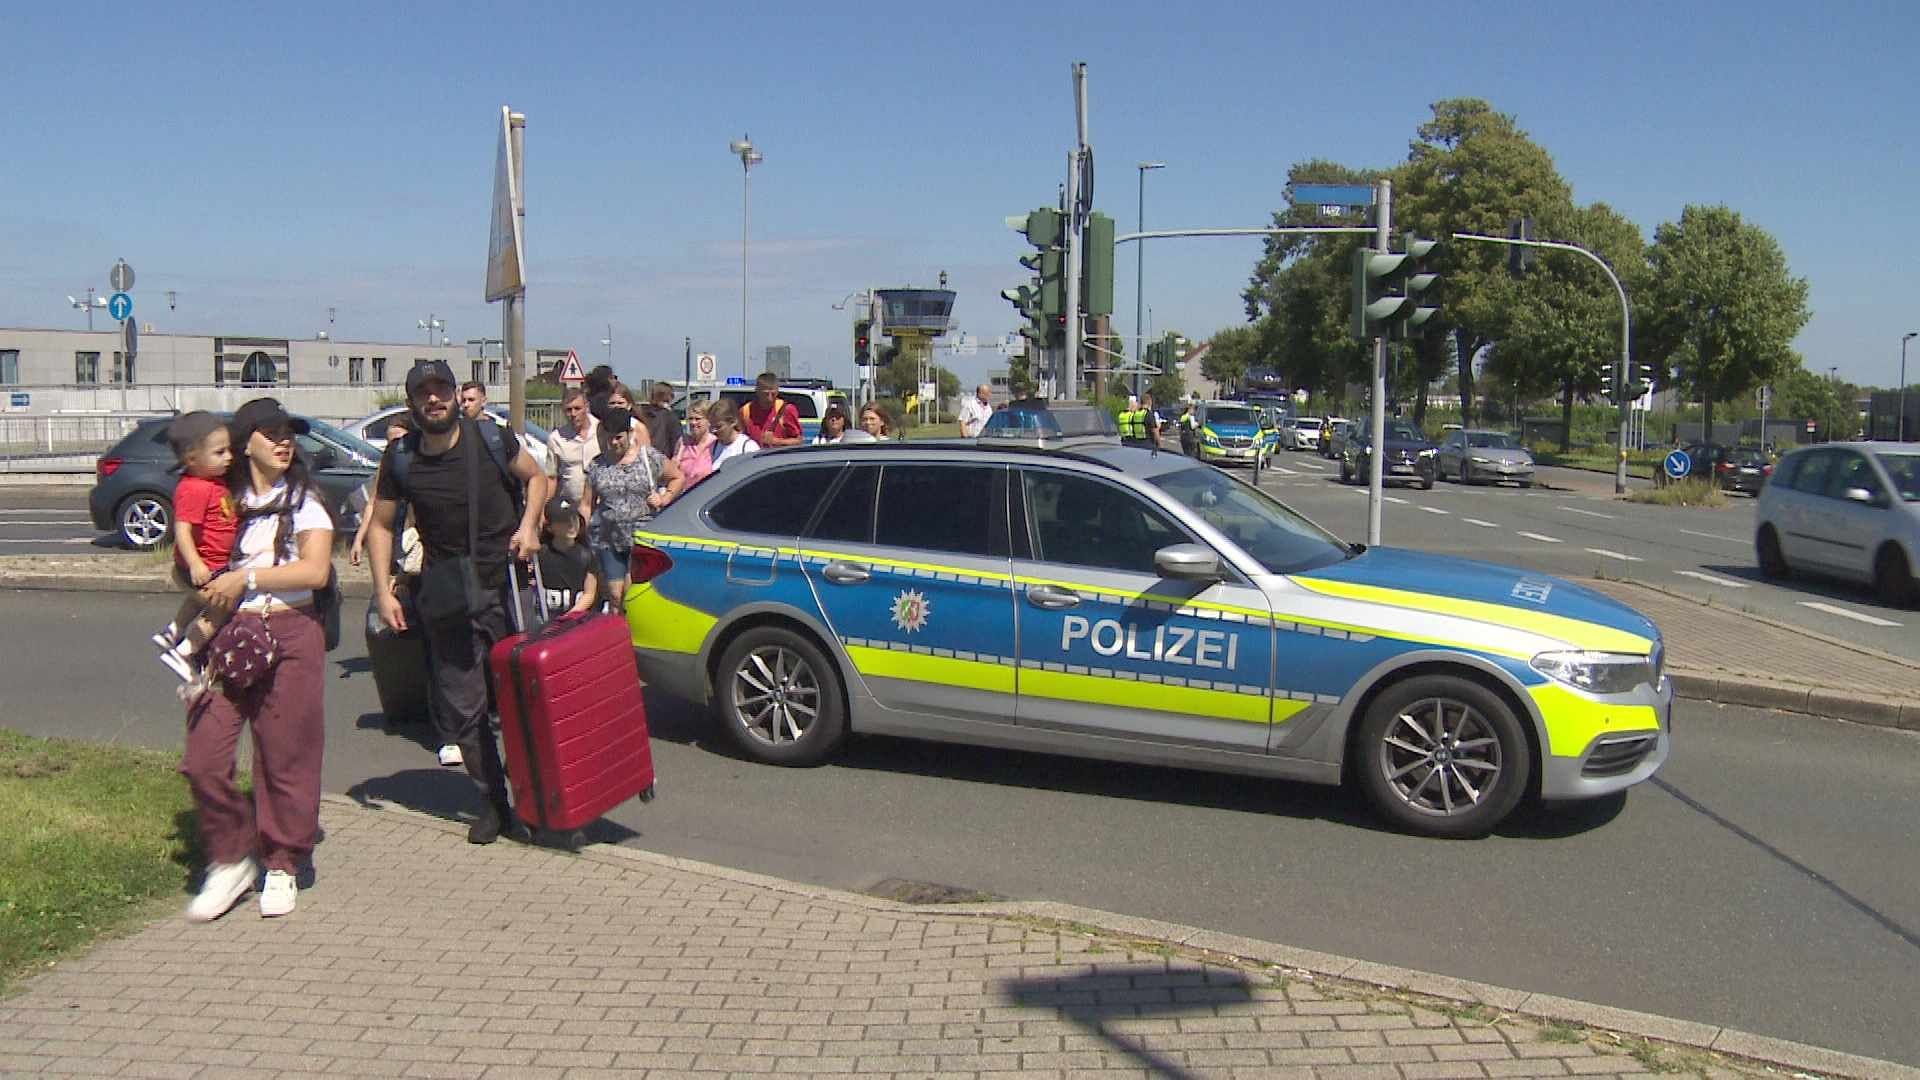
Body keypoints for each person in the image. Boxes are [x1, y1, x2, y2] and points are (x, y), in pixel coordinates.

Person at [364, 360, 550, 844]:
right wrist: (384, 590)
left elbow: (536, 478)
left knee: (524, 701)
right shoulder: (401, 458)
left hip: (508, 585)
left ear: (454, 394)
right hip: (447, 593)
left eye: (441, 389)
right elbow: (382, 526)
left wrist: (529, 526)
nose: (434, 399)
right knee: (464, 709)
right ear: (411, 402)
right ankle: (493, 805)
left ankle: (536, 798)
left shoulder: (490, 440)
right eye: (423, 392)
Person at [179, 397, 336, 921]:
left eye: (288, 432)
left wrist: (246, 577)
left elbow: (314, 572)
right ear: (246, 442)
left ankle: (282, 862)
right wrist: (195, 576)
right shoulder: (223, 500)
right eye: (271, 433)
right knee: (203, 754)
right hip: (227, 631)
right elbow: (187, 562)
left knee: (285, 757)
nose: (284, 441)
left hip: (291, 632)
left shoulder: (307, 501)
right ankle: (229, 858)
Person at [152, 411, 238, 688]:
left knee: (197, 601)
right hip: (203, 566)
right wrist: (196, 564)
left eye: (229, 450)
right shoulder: (194, 488)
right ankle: (185, 651)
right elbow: (183, 531)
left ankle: (173, 631)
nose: (229, 457)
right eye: (219, 452)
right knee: (220, 607)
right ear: (191, 458)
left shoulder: (214, 482)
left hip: (215, 564)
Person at [582, 408, 683, 602]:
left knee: (632, 593)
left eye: (619, 437)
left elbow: (678, 477)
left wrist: (665, 498)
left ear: (629, 433)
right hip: (609, 538)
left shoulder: (649, 458)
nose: (614, 443)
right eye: (610, 438)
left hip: (639, 538)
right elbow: (586, 503)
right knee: (614, 594)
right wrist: (588, 532)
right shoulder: (597, 465)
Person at [534, 495, 596, 616]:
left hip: (577, 620)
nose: (571, 524)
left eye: (574, 518)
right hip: (547, 621)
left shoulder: (587, 555)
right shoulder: (541, 555)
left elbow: (589, 594)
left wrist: (569, 616)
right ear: (550, 527)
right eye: (564, 522)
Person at [544, 388, 597, 500]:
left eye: (577, 408)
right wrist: (545, 509)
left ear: (586, 407)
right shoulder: (556, 438)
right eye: (568, 410)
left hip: (599, 505)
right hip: (570, 505)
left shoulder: (602, 431)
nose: (573, 414)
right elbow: (551, 477)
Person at [740, 372, 802, 447]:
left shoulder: (786, 410)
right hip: (753, 457)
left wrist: (776, 441)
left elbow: (798, 441)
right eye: (765, 394)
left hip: (778, 457)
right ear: (757, 391)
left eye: (773, 394)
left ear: (777, 391)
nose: (770, 398)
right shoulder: (745, 411)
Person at [674, 400, 718, 485]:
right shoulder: (683, 442)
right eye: (690, 419)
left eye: (698, 419)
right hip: (684, 495)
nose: (693, 422)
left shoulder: (715, 443)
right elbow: (673, 469)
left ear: (709, 421)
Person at [637, 382, 683, 459]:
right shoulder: (670, 416)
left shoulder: (640, 413)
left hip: (642, 459)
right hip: (662, 460)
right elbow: (677, 443)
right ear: (669, 397)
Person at [709, 398, 761, 465]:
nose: (713, 431)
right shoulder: (714, 446)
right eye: (712, 427)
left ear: (733, 422)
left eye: (718, 427)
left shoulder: (748, 447)